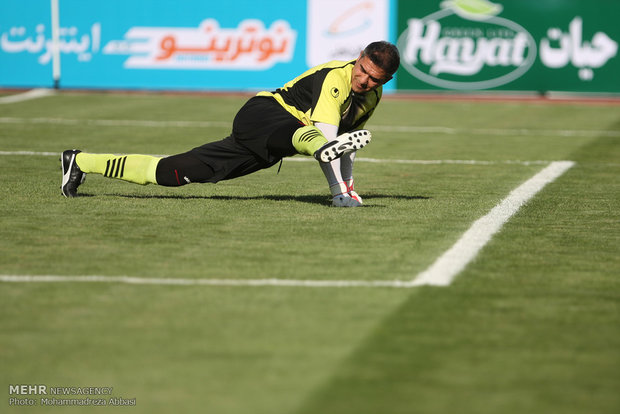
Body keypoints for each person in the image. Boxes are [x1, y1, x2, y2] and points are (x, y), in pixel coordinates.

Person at [61, 41, 400, 207]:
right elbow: (326, 145)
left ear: (385, 80)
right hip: (265, 114)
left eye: (375, 79)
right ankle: (335, 187)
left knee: (171, 174)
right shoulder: (335, 79)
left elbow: (345, 147)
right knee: (314, 140)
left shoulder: (372, 97)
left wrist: (349, 187)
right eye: (363, 70)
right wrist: (338, 193)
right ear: (358, 59)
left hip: (268, 146)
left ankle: (80, 161)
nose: (364, 81)